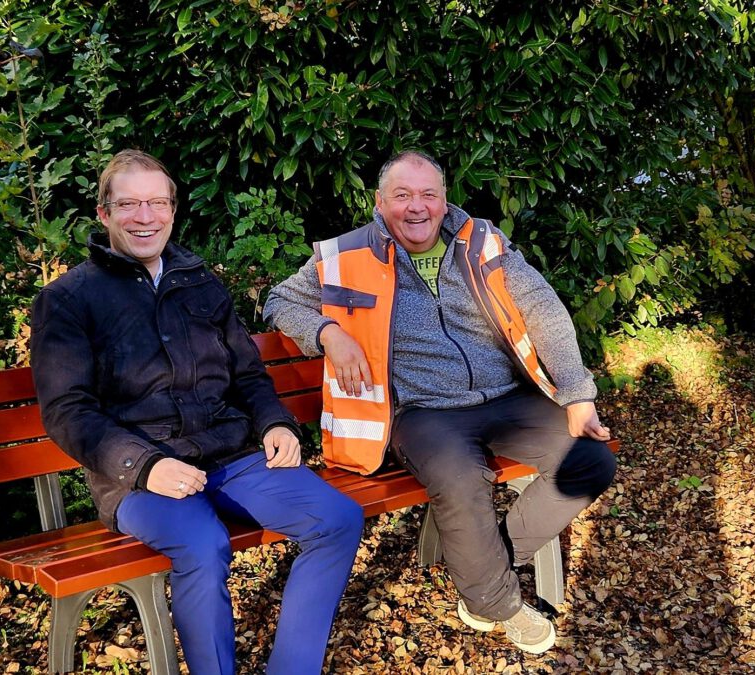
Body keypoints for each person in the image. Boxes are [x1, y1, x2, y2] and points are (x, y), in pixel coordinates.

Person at [263, 150, 616, 655]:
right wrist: (328, 332)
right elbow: (279, 300)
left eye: (428, 194)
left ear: (444, 199)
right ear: (380, 203)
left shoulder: (483, 241)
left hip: (505, 397)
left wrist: (578, 395)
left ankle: (480, 564)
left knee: (591, 460)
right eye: (402, 195)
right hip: (422, 412)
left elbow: (543, 308)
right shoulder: (346, 254)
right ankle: (494, 600)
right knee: (459, 478)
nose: (416, 207)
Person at [30, 149, 363, 675]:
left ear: (172, 210)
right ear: (104, 214)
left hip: (231, 456)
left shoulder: (198, 281)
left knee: (337, 518)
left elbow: (248, 374)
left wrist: (275, 422)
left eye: (157, 203)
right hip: (140, 480)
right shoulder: (69, 300)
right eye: (130, 204)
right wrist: (145, 466)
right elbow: (68, 411)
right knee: (203, 544)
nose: (146, 217)